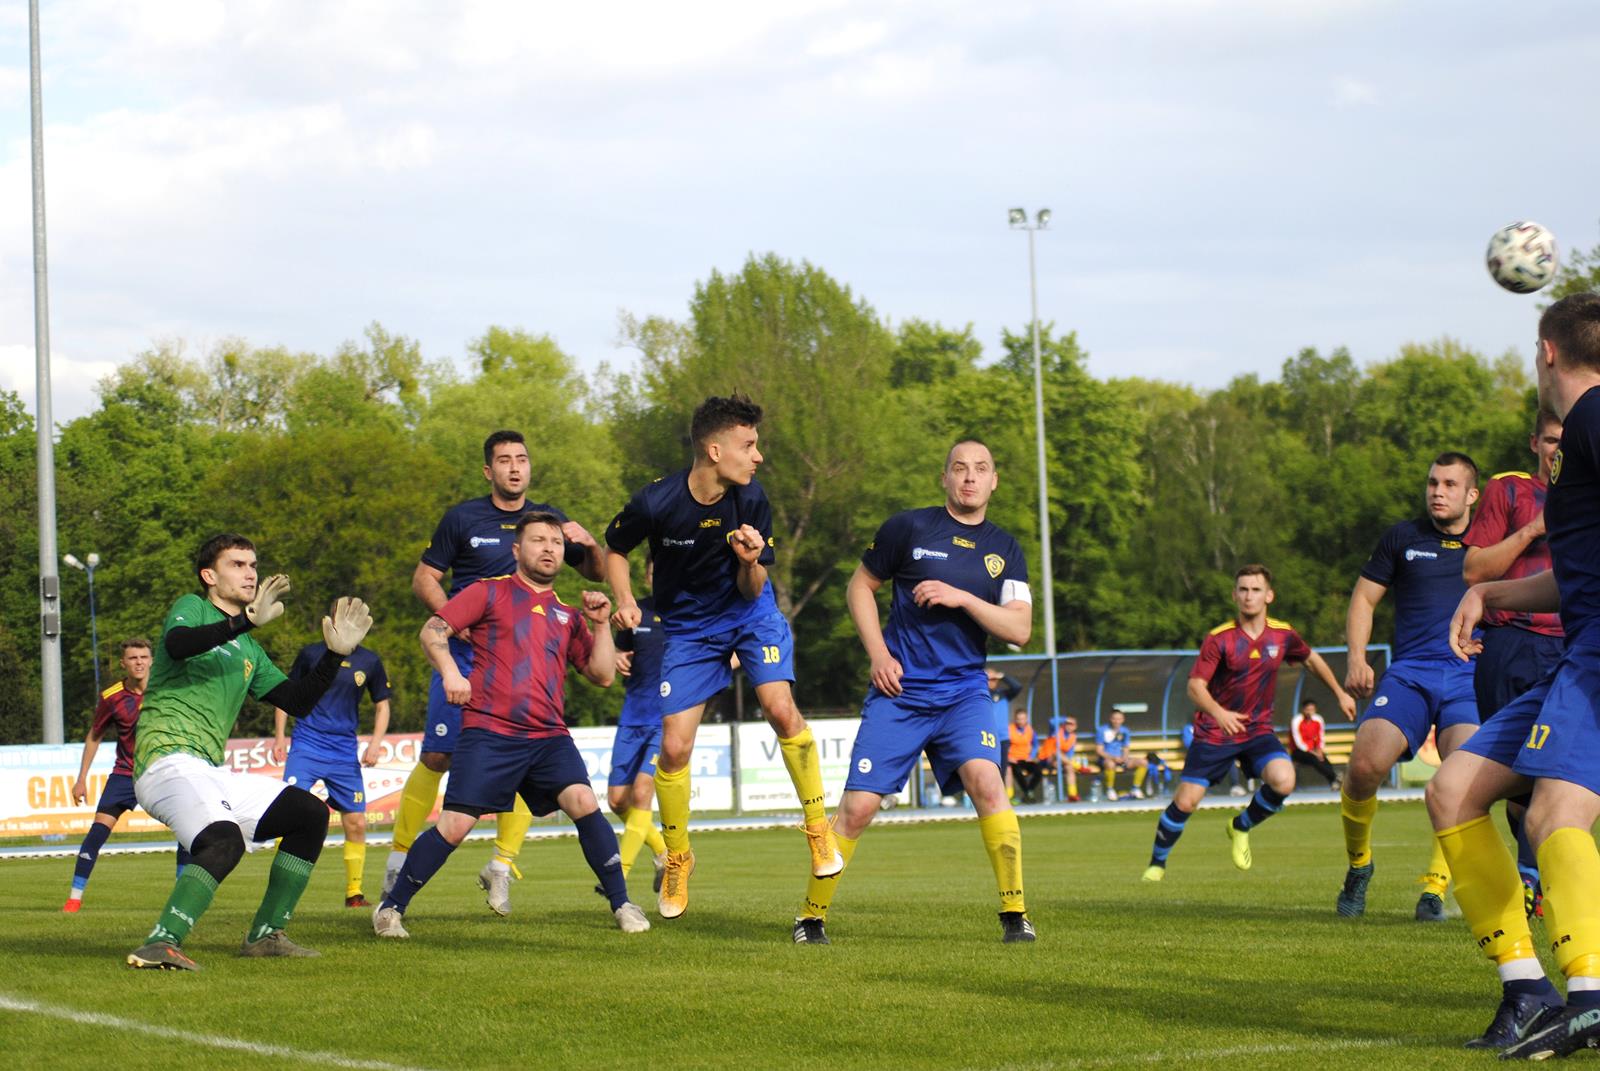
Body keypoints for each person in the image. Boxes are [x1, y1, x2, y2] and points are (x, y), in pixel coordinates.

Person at [1425, 292, 1600, 1056]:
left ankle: (1591, 996)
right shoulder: (1574, 444)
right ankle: (1528, 988)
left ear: (1547, 351)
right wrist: (1492, 590)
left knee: (1553, 816)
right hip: (1575, 645)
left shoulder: (1594, 414)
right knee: (1452, 789)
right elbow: (1578, 578)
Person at [605, 394, 840, 921]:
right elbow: (614, 549)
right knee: (674, 746)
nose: (758, 456)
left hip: (750, 615)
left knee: (781, 709)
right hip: (687, 632)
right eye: (748, 445)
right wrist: (624, 600)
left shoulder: (752, 499)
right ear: (714, 449)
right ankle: (679, 859)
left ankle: (819, 831)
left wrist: (752, 560)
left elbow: (753, 585)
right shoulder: (655, 502)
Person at [793, 439, 1035, 944]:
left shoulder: (1005, 549)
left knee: (989, 786)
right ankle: (810, 917)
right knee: (857, 810)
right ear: (944, 478)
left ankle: (1015, 915)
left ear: (994, 481)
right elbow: (859, 587)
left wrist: (962, 597)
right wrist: (878, 655)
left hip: (964, 692)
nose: (970, 477)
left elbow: (1019, 629)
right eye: (960, 468)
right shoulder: (908, 528)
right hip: (900, 691)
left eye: (981, 469)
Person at [373, 512, 648, 937]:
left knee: (584, 802)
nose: (549, 548)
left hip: (547, 737)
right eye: (538, 541)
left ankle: (623, 904)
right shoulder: (488, 592)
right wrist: (450, 671)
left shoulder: (567, 613)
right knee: (455, 825)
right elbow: (432, 631)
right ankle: (390, 909)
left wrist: (598, 624)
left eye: (556, 542)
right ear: (517, 550)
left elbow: (603, 674)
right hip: (490, 731)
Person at [126, 533, 372, 971]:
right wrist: (245, 623)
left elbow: (296, 702)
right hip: (165, 761)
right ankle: (160, 941)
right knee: (224, 840)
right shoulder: (192, 607)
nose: (251, 572)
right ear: (209, 575)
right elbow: (179, 645)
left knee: (309, 814)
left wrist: (335, 656)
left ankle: (265, 935)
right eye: (237, 564)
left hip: (207, 769)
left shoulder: (250, 650)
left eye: (253, 564)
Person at [385, 429, 605, 916]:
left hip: (527, 655)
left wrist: (590, 546)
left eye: (521, 460)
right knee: (440, 755)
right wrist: (454, 624)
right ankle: (399, 860)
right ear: (489, 471)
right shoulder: (463, 517)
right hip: (464, 654)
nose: (513, 468)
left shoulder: (550, 521)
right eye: (503, 460)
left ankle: (501, 866)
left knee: (528, 750)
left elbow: (596, 573)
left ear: (529, 467)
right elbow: (425, 577)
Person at [1338, 452, 1481, 922]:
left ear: (1471, 495)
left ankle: (1435, 888)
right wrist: (1357, 658)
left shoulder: (1489, 544)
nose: (1438, 492)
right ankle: (1359, 867)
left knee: (1459, 784)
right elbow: (1363, 596)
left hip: (1467, 677)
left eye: (1450, 485)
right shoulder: (1403, 538)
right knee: (1363, 765)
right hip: (1410, 673)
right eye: (1433, 483)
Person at [1142, 565, 1354, 882]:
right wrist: (1220, 713)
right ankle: (1157, 863)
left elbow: (1311, 659)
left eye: (1255, 590)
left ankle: (1240, 826)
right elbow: (1194, 687)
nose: (1248, 596)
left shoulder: (1282, 634)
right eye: (1242, 589)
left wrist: (1340, 693)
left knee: (1284, 779)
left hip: (1257, 730)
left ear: (1269, 595)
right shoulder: (1219, 639)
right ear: (1234, 595)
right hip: (1215, 731)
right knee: (1186, 802)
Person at [1461, 409, 1565, 916]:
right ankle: (1531, 879)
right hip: (1510, 646)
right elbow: (1474, 570)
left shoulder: (1588, 495)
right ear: (1534, 443)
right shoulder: (1508, 490)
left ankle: (1531, 879)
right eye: (1550, 440)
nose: (1558, 448)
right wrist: (1531, 532)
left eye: (1567, 440)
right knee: (1516, 779)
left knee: (1555, 772)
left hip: (1575, 648)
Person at [63, 638, 190, 912]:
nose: (139, 662)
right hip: (125, 775)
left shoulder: (166, 688)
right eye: (133, 658)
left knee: (187, 829)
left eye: (143, 657)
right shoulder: (112, 697)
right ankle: (74, 898)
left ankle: (179, 898)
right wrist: (81, 779)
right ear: (124, 663)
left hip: (162, 772)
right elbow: (94, 736)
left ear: (151, 660)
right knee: (98, 831)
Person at [272, 621, 392, 907]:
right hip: (306, 745)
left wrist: (375, 744)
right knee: (287, 812)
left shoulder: (370, 660)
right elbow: (285, 695)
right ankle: (281, 888)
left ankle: (354, 893)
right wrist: (279, 737)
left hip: (343, 751)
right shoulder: (311, 654)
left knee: (356, 822)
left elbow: (382, 705)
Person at [604, 558, 669, 894]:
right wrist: (615, 655)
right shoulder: (633, 614)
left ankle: (620, 875)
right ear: (646, 575)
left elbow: (730, 652)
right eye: (655, 570)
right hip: (632, 717)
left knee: (643, 793)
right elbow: (617, 655)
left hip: (667, 721)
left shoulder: (691, 615)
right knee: (617, 800)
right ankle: (664, 855)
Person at [1096, 709, 1148, 801]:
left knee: (1143, 762)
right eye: (1114, 719)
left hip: (1121, 759)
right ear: (1110, 719)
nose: (1116, 721)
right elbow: (1099, 751)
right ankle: (1110, 790)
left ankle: (1135, 788)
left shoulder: (1125, 731)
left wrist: (1124, 757)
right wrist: (1113, 758)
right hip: (1107, 759)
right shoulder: (1102, 730)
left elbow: (1126, 747)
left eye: (1119, 719)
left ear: (1123, 720)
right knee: (1110, 764)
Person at [1289, 698, 1341, 790]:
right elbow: (1298, 742)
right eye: (1307, 710)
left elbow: (1321, 736)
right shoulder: (1297, 721)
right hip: (1299, 751)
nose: (1309, 712)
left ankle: (1333, 782)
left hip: (1314, 750)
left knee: (1324, 760)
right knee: (1314, 759)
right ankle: (1335, 776)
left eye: (1312, 710)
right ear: (1303, 710)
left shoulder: (1318, 719)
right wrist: (1314, 753)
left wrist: (1319, 750)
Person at [1036, 715, 1091, 801]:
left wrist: (1065, 762)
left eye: (1072, 724)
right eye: (1067, 723)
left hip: (1060, 761)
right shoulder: (1055, 731)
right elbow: (1051, 721)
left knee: (1069, 768)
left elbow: (1070, 754)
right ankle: (1079, 767)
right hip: (1046, 759)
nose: (1069, 726)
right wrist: (1065, 719)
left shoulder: (1073, 737)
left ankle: (1072, 794)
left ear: (1075, 727)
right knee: (1056, 752)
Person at [1006, 708, 1043, 803]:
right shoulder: (1009, 729)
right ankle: (1023, 795)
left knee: (1038, 771)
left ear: (1026, 719)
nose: (1021, 721)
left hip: (1026, 759)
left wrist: (1032, 756)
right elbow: (1004, 745)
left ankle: (1028, 792)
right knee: (1017, 772)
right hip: (1013, 759)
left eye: (1023, 719)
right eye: (1019, 719)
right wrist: (1008, 757)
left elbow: (1035, 744)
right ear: (1015, 719)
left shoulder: (1030, 730)